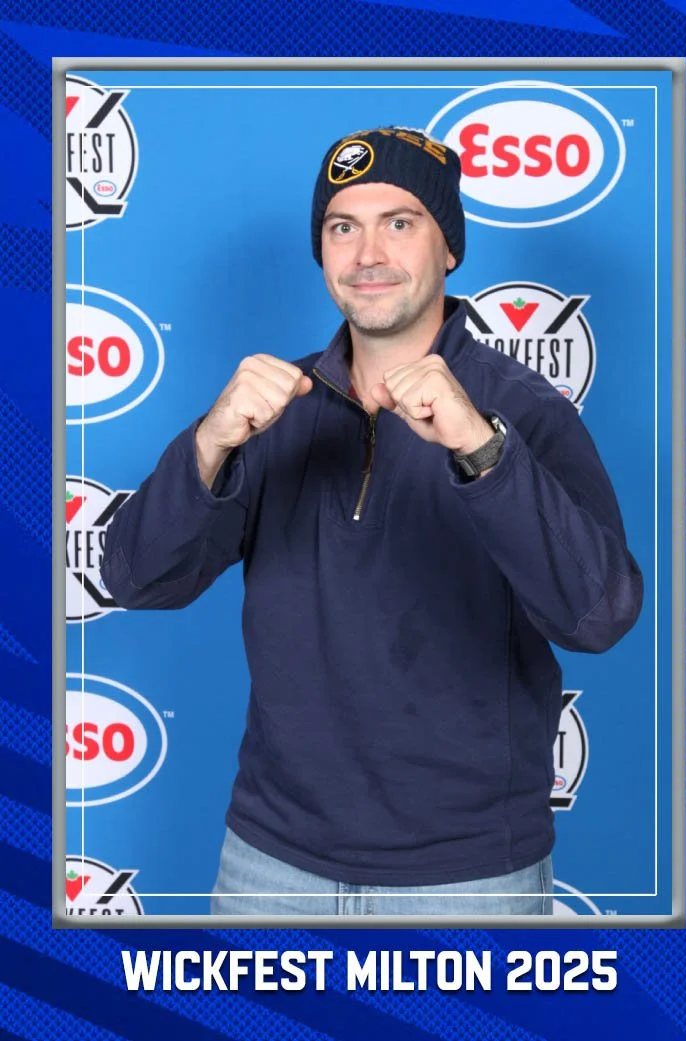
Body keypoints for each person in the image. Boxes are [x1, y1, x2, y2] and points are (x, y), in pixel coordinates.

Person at [100, 126, 643, 916]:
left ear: (448, 247)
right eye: (341, 227)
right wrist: (209, 445)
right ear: (321, 253)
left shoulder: (522, 412)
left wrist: (481, 452)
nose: (367, 253)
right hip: (269, 866)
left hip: (468, 881)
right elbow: (132, 576)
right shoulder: (273, 406)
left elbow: (598, 614)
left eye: (400, 222)